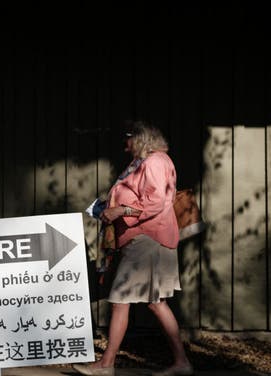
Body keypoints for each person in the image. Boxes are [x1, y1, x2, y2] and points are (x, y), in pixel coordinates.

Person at [74, 122, 193, 376]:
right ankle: (181, 363)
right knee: (155, 302)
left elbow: (156, 201)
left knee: (120, 300)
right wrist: (107, 206)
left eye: (127, 137)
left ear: (140, 138)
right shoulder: (141, 162)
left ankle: (106, 365)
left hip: (147, 240)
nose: (124, 143)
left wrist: (121, 210)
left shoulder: (155, 162)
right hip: (142, 239)